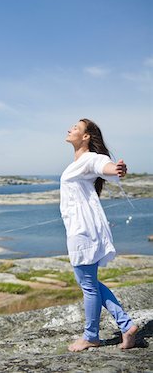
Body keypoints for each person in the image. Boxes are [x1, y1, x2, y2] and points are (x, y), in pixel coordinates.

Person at [60, 118, 138, 352]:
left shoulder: (89, 159)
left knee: (88, 284)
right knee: (87, 281)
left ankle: (91, 335)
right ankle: (126, 325)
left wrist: (116, 169)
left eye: (75, 127)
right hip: (81, 227)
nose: (69, 129)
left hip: (82, 229)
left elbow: (102, 165)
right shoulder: (78, 162)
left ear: (85, 137)